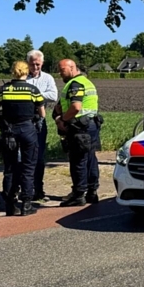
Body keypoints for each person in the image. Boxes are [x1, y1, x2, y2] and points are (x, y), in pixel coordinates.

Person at [0, 61, 46, 216]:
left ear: (12, 72)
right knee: (28, 168)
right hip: (28, 130)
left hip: (9, 132)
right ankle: (27, 204)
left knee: (10, 168)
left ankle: (10, 204)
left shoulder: (3, 90)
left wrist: (5, 113)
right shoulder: (33, 90)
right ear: (26, 72)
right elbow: (42, 114)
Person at [54, 59, 102, 206]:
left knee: (78, 160)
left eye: (62, 70)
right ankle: (92, 192)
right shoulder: (86, 82)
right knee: (90, 158)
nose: (60, 73)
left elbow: (75, 107)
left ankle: (79, 194)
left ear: (72, 68)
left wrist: (62, 119)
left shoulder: (76, 84)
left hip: (80, 127)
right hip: (91, 124)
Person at [25, 49, 58, 202]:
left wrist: (33, 93)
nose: (35, 67)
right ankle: (25, 188)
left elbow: (53, 95)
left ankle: (39, 189)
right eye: (32, 64)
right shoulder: (22, 76)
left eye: (38, 64)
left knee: (38, 156)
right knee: (23, 157)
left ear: (42, 63)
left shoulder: (48, 78)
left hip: (39, 121)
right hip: (24, 120)